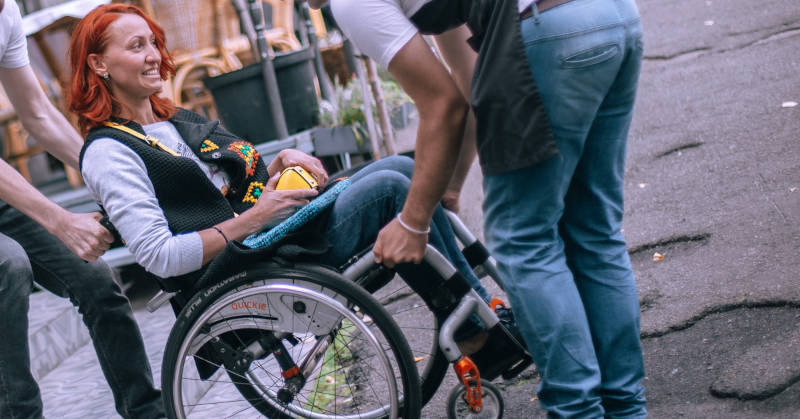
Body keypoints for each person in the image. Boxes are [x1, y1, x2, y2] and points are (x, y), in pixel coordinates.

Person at [68, 3, 494, 357]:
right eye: (137, 46)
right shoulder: (109, 153)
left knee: (401, 167)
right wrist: (256, 217)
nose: (154, 55)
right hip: (249, 274)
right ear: (99, 64)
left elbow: (219, 189)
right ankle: (478, 330)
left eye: (154, 43)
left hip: (274, 238)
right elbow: (161, 256)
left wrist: (274, 167)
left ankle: (476, 314)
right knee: (393, 187)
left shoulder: (169, 119)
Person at [310, 0, 647, 417]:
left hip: (545, 32)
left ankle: (577, 410)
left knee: (525, 240)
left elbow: (444, 104)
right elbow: (470, 89)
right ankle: (626, 407)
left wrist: (414, 221)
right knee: (594, 229)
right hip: (613, 17)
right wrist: (447, 188)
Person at [0, 0, 163, 418]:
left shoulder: (6, 15)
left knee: (94, 279)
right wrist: (58, 220)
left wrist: (113, 174)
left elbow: (37, 115)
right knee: (8, 265)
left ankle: (147, 412)